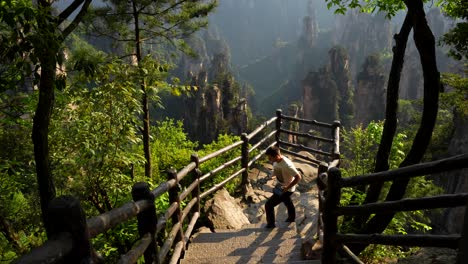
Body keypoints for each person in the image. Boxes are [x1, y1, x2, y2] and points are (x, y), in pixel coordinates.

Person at [264, 146, 301, 228]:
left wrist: (287, 188)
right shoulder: (276, 161)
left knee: (268, 205)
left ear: (276, 156)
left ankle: (271, 224)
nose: (269, 160)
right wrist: (272, 176)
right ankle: (291, 218)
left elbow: (298, 177)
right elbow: (276, 169)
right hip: (281, 186)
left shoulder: (287, 165)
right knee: (287, 201)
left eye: (270, 158)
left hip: (286, 189)